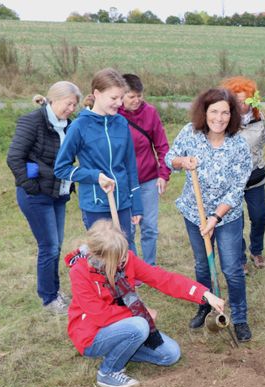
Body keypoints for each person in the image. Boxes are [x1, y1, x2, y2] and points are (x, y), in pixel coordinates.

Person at [64, 220, 225, 387]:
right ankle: (108, 372)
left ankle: (121, 349)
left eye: (125, 254)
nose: (125, 260)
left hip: (123, 327)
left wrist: (204, 294)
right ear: (102, 258)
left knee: (170, 355)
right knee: (140, 326)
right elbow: (100, 314)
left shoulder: (126, 260)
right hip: (91, 335)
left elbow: (163, 279)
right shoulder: (80, 272)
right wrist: (139, 314)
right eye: (119, 258)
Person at [165, 88, 253, 341]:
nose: (219, 118)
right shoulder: (190, 133)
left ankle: (239, 316)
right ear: (204, 112)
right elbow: (170, 157)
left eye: (225, 112)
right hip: (195, 213)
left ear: (232, 115)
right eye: (214, 111)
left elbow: (237, 188)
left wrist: (215, 218)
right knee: (203, 264)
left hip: (227, 216)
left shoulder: (238, 145)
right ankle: (205, 305)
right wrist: (183, 162)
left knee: (232, 268)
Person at [7, 81, 82, 315]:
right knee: (49, 246)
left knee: (56, 245)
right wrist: (30, 185)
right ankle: (49, 298)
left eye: (74, 105)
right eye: (69, 103)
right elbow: (14, 158)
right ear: (54, 99)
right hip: (36, 195)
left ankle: (54, 291)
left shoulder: (69, 126)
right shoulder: (32, 122)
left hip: (58, 193)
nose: (71, 108)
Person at [54, 68, 143, 244]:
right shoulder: (80, 126)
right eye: (113, 98)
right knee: (104, 258)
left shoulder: (121, 123)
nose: (119, 103)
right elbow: (61, 168)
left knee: (128, 254)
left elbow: (130, 166)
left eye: (121, 97)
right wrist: (95, 176)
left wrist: (137, 205)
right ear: (97, 94)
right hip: (96, 205)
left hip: (123, 203)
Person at [118, 73, 171, 266]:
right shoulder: (113, 115)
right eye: (131, 96)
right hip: (123, 182)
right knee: (127, 229)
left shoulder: (150, 112)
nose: (137, 100)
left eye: (139, 95)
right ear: (121, 95)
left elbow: (162, 146)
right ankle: (133, 267)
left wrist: (164, 174)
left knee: (149, 227)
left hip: (148, 179)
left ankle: (150, 267)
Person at [220, 76, 265, 271]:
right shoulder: (225, 121)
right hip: (232, 181)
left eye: (246, 101)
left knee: (258, 216)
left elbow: (263, 143)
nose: (242, 105)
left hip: (255, 178)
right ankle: (240, 258)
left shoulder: (260, 119)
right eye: (237, 101)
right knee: (234, 219)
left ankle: (256, 250)